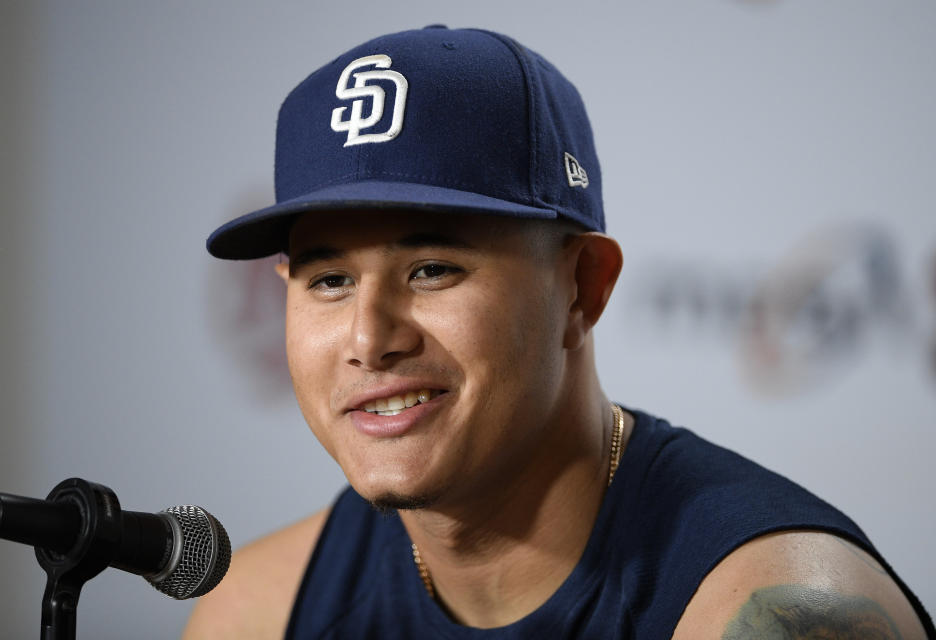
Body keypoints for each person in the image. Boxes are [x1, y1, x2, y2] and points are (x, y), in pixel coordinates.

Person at [184, 26, 934, 639]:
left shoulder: (777, 610)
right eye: (330, 280)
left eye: (433, 268)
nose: (369, 337)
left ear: (582, 288)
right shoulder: (256, 611)